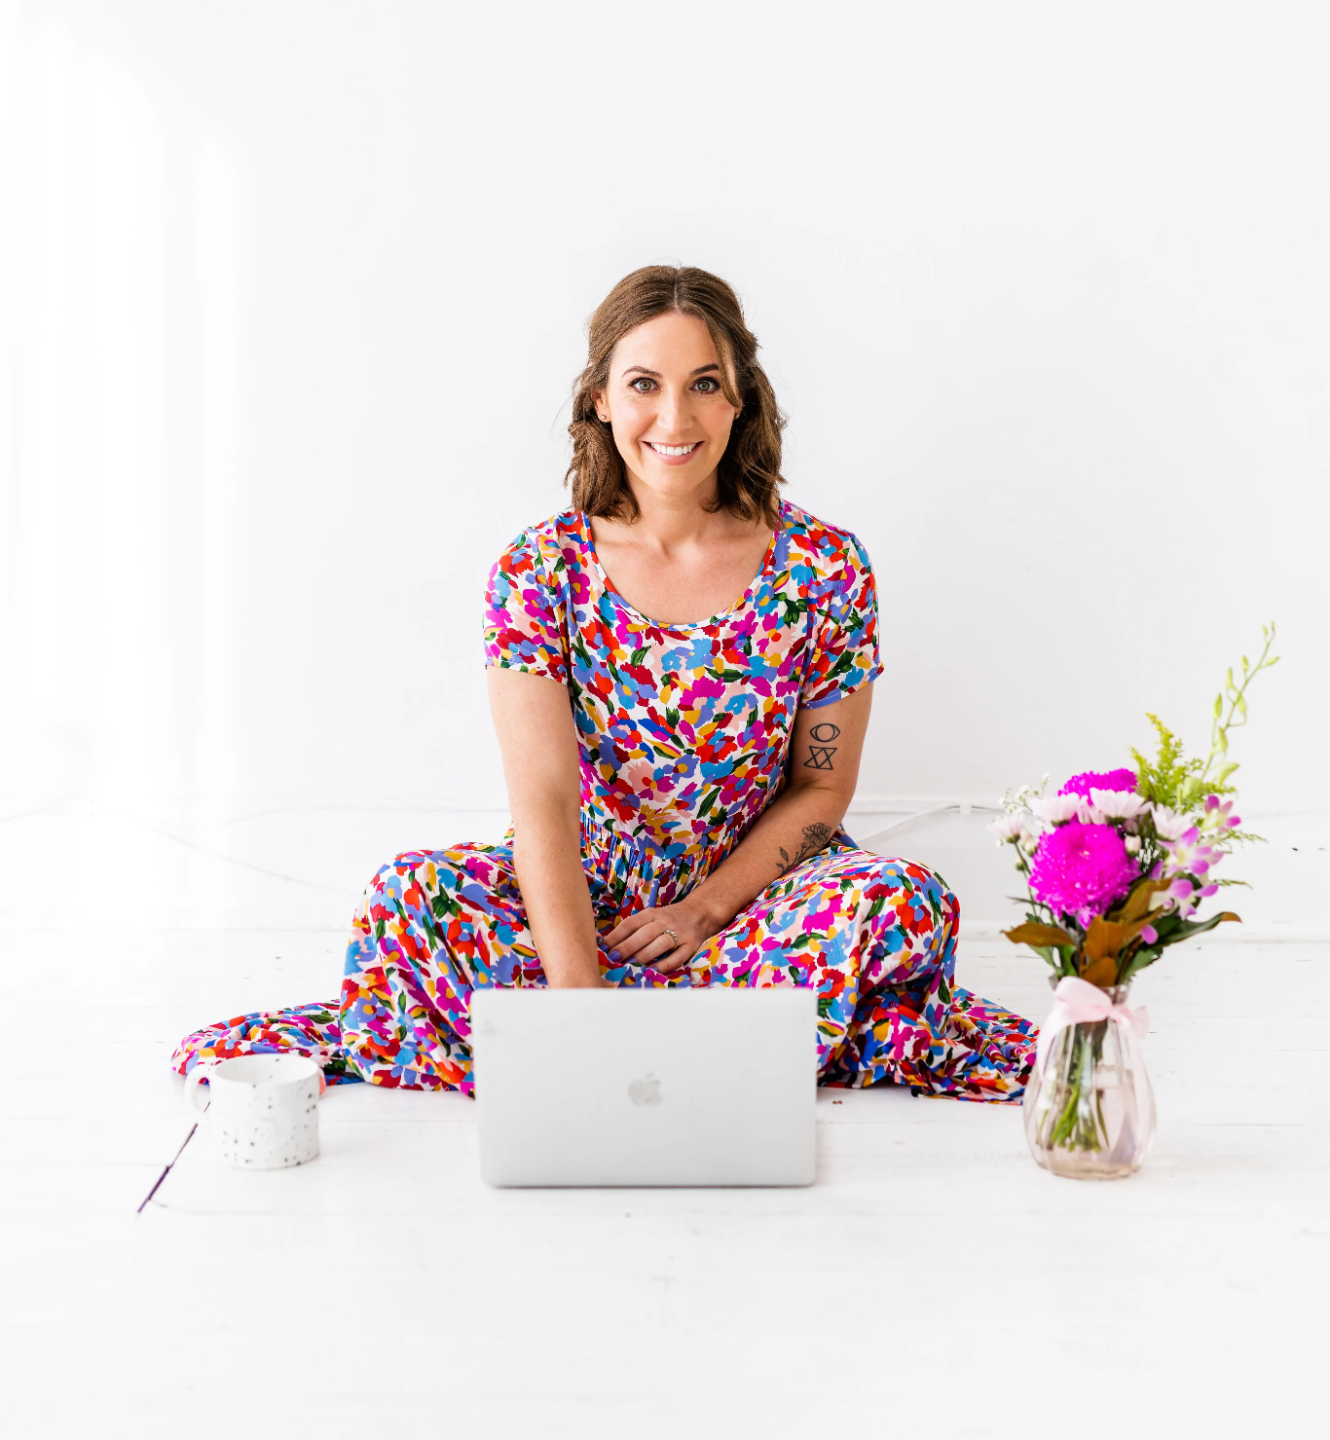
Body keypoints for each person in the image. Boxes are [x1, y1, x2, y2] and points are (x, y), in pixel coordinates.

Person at [174, 265, 1035, 1100]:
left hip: (758, 904)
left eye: (704, 384)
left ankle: (648, 1036)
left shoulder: (825, 566)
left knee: (903, 901)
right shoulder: (538, 569)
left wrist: (702, 912)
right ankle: (723, 1046)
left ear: (740, 399)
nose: (674, 417)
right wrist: (579, 1010)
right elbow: (543, 802)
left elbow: (822, 788)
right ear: (600, 398)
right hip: (585, 904)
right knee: (407, 898)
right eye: (643, 384)